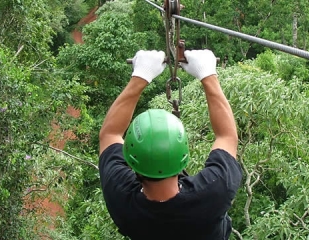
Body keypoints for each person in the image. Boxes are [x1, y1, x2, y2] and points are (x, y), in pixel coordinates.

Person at [98, 49, 242, 239]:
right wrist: (208, 75)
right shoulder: (214, 191)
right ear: (183, 155)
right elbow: (227, 136)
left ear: (131, 159)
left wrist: (140, 76)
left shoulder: (122, 200)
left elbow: (110, 133)